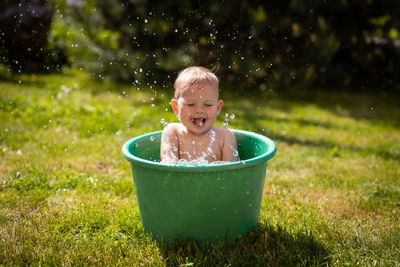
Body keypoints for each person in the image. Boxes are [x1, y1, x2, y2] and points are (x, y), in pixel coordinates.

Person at [160, 66, 239, 164]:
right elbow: (168, 163)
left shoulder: (225, 137)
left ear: (218, 107)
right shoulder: (172, 132)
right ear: (176, 107)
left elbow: (232, 172)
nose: (199, 110)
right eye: (191, 104)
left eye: (207, 104)